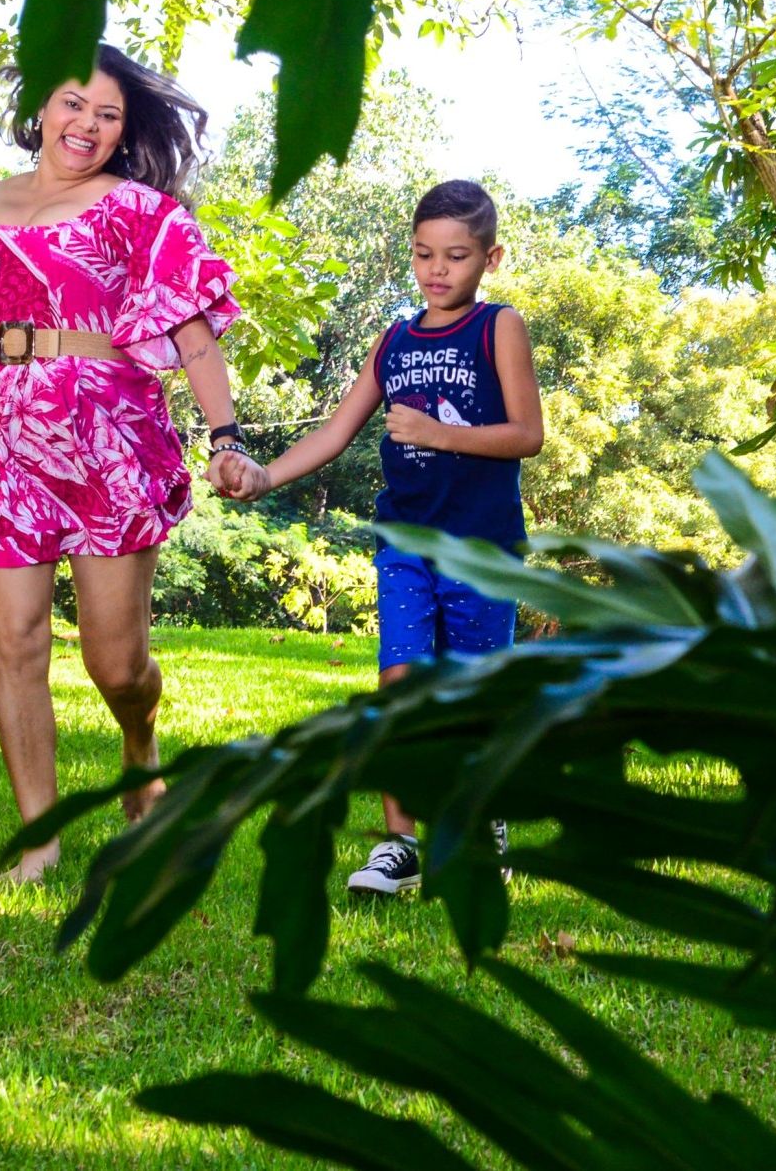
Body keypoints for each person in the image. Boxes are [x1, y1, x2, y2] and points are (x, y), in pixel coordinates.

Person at [0, 45, 246, 883]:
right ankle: (39, 839)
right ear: (42, 106)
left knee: (115, 660)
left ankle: (140, 745)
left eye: (108, 116)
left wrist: (226, 436)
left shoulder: (142, 213)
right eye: (74, 104)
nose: (88, 126)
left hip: (110, 435)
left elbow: (193, 334)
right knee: (16, 640)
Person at [226, 179, 544, 896]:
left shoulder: (499, 326)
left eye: (457, 257)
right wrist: (265, 475)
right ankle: (398, 847)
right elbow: (337, 433)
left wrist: (439, 433)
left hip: (482, 549)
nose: (438, 270)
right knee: (399, 682)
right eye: (424, 254)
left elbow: (528, 435)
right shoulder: (395, 339)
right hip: (406, 542)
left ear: (489, 259)